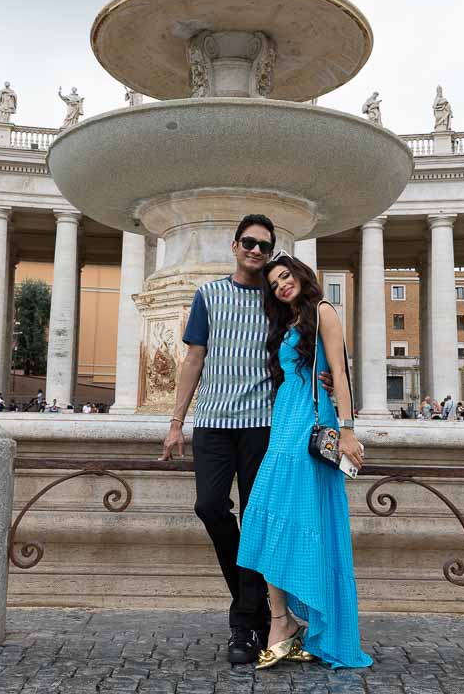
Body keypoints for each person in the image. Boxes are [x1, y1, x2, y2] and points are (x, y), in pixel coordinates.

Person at [236, 252, 371, 670]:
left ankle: (291, 624)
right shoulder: (287, 322)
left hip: (311, 426)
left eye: (285, 276)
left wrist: (347, 430)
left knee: (295, 517)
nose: (281, 285)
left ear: (300, 274)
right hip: (284, 422)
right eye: (274, 283)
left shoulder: (323, 310)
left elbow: (340, 372)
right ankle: (282, 620)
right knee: (266, 516)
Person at [158, 214, 280, 665]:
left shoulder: (276, 299)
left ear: (271, 253)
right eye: (249, 242)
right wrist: (176, 422)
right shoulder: (209, 295)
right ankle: (253, 604)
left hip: (261, 423)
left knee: (257, 517)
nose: (255, 251)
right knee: (209, 506)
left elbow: (299, 348)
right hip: (213, 421)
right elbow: (193, 358)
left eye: (264, 246)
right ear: (234, 246)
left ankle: (244, 625)